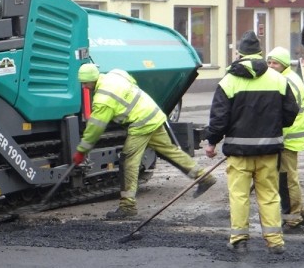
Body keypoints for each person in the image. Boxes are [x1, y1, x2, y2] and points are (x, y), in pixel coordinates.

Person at [74, 64, 217, 220]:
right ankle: (204, 177)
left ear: (92, 80)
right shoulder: (115, 74)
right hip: (153, 114)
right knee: (170, 151)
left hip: (141, 122)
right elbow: (132, 82)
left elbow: (95, 129)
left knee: (128, 161)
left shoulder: (103, 99)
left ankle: (127, 206)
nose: (84, 87)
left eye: (85, 83)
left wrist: (82, 151)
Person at [203, 31, 299, 255]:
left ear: (239, 54)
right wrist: (273, 126)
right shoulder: (278, 79)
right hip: (268, 151)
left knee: (239, 195)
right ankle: (275, 242)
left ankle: (239, 240)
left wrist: (212, 141)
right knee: (269, 195)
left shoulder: (229, 81)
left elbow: (219, 118)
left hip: (238, 153)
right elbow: (290, 111)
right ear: (260, 54)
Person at [266, 46, 304, 230]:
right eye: (269, 62)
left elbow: (283, 112)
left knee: (286, 180)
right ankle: (301, 213)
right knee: (287, 177)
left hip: (287, 138)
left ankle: (293, 219)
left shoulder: (285, 82)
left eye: (275, 63)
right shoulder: (291, 77)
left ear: (284, 64)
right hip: (291, 136)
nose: (271, 66)